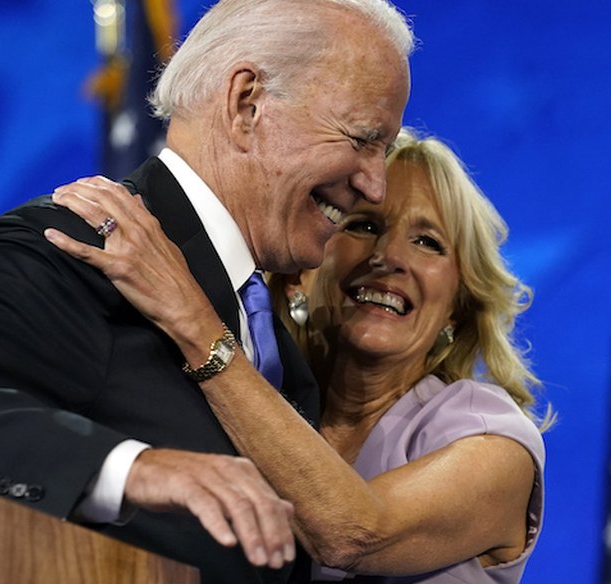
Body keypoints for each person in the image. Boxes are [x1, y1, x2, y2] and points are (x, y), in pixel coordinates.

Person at [0, 1, 412, 582]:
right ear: (246, 103)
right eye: (362, 138)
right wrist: (131, 468)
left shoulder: (270, 327)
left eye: (384, 151)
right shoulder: (89, 243)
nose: (375, 185)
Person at [46, 128, 552, 583]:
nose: (389, 258)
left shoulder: (493, 441)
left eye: (427, 242)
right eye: (365, 227)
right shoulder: (253, 399)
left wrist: (193, 321)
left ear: (457, 310)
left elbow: (357, 533)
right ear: (301, 276)